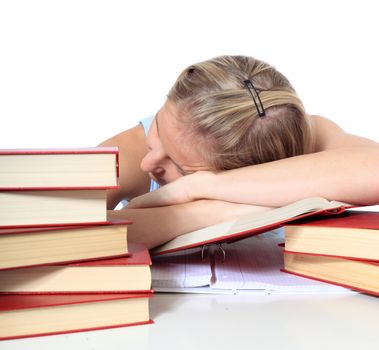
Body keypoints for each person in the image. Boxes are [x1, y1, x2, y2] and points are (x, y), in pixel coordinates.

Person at [99, 55, 379, 249]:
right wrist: (208, 213)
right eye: (158, 126)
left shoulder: (310, 137)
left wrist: (200, 188)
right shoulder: (133, 151)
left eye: (182, 168)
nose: (149, 162)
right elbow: (63, 237)